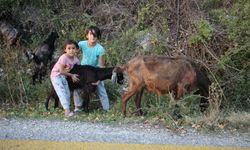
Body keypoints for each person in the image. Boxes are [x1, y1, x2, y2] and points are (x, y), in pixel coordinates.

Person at [78, 26, 110, 111]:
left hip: (94, 72)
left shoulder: (100, 49)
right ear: (86, 36)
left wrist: (99, 80)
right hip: (83, 71)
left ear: (98, 37)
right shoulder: (81, 44)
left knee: (101, 89)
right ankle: (77, 108)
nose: (93, 37)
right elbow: (72, 53)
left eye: (95, 35)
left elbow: (101, 66)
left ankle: (107, 109)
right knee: (76, 87)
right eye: (91, 34)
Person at [50, 39, 82, 118]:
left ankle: (66, 108)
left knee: (67, 93)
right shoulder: (63, 57)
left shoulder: (76, 60)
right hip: (56, 76)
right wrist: (72, 75)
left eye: (73, 48)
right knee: (61, 92)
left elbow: (80, 69)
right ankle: (67, 111)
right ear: (65, 50)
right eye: (69, 48)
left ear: (77, 49)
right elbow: (61, 71)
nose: (71, 50)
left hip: (64, 76)